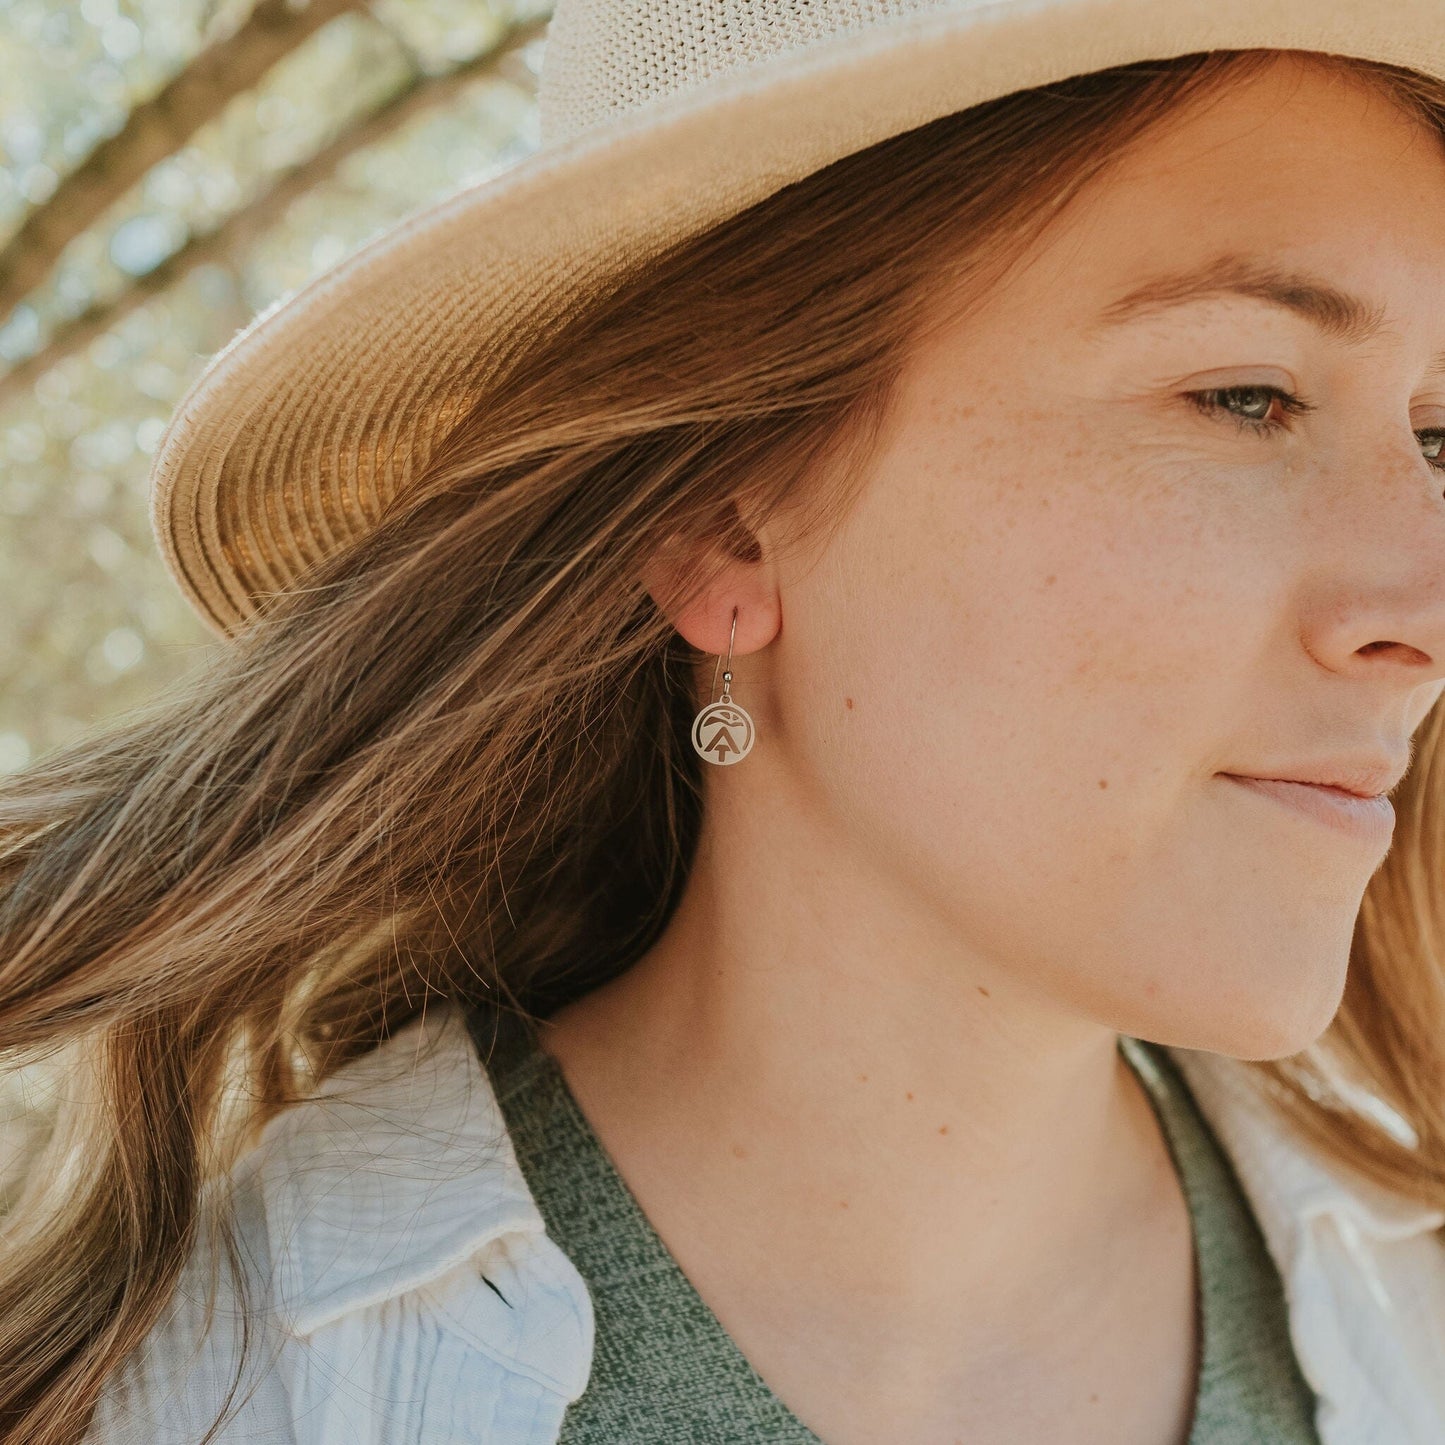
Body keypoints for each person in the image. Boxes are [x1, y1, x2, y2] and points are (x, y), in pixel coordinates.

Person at [3, 2, 1445, 1442]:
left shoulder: (1413, 1314)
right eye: (1243, 394)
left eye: (1436, 437)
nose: (1422, 608)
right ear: (720, 525)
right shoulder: (195, 1396)